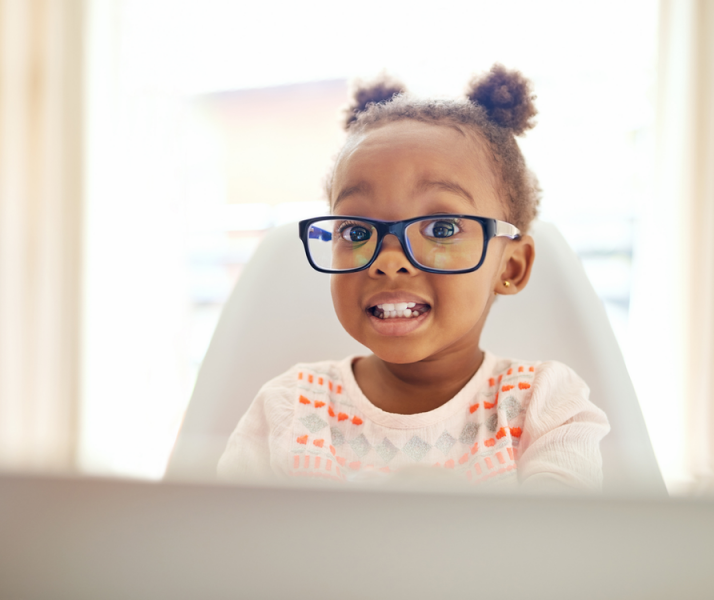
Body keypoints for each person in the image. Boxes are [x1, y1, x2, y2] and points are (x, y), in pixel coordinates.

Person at [217, 65, 610, 491]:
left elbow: (557, 545)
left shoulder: (544, 402)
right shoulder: (289, 407)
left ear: (511, 267)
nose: (388, 260)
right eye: (355, 231)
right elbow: (227, 544)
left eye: (441, 228)